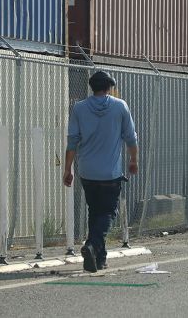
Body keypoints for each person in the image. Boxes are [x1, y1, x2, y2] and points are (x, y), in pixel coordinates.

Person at [63, 70, 138, 273]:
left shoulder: (79, 108)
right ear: (109, 87)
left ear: (92, 87)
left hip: (87, 172)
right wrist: (133, 160)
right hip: (110, 173)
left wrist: (67, 169)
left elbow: (72, 141)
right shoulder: (120, 106)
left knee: (94, 212)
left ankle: (99, 258)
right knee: (107, 213)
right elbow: (131, 137)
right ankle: (92, 244)